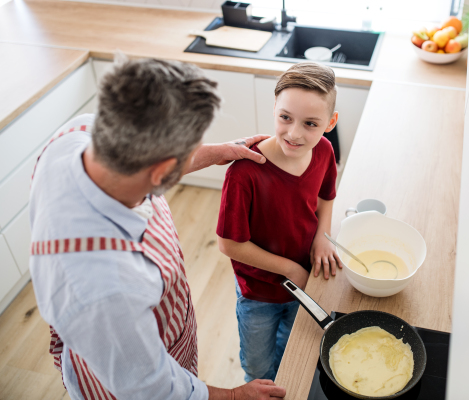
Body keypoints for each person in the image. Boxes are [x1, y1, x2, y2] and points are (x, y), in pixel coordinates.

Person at [29, 55, 286, 400]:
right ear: (160, 171)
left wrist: (212, 153)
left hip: (160, 336)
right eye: (188, 150)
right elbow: (152, 389)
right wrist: (235, 396)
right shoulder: (104, 288)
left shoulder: (79, 135)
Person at [216, 62, 343, 382]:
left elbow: (326, 198)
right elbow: (229, 243)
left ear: (331, 122)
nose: (295, 133)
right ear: (274, 107)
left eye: (311, 123)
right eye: (285, 117)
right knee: (258, 368)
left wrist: (322, 236)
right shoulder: (244, 173)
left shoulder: (325, 151)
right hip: (259, 292)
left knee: (291, 352)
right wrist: (289, 268)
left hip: (307, 283)